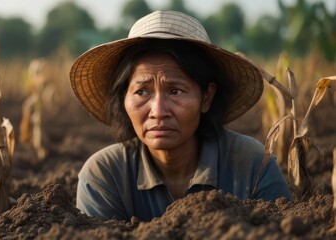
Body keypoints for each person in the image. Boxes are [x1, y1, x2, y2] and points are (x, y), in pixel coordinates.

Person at [69, 10, 293, 222]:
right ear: (124, 98)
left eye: (175, 91)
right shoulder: (105, 176)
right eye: (142, 92)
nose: (158, 111)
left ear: (206, 97)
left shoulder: (253, 165)